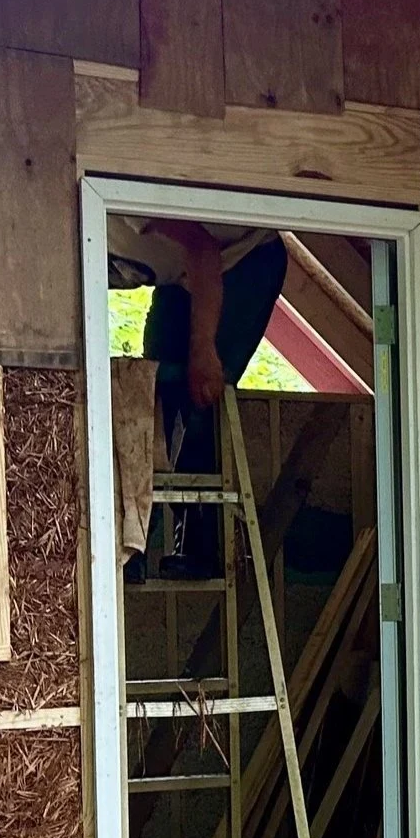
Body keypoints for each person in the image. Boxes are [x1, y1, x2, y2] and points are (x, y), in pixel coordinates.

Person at [108, 218, 289, 577]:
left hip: (243, 259)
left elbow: (203, 250)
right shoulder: (63, 246)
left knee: (198, 392)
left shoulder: (124, 211)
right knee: (151, 384)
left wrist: (204, 348)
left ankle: (199, 545)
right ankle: (133, 548)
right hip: (185, 274)